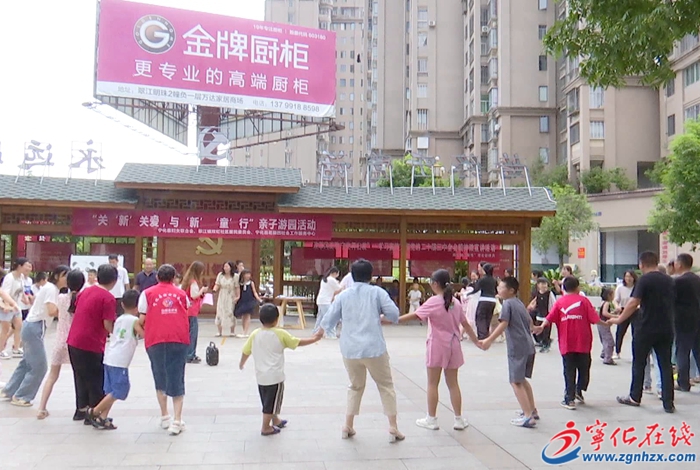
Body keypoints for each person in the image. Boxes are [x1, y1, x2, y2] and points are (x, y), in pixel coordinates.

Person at [319, 259, 404, 443]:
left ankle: (347, 425)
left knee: (355, 386)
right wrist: (379, 316)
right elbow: (394, 314)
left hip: (350, 349)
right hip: (374, 348)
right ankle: (393, 427)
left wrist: (317, 335)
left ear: (352, 275)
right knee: (386, 386)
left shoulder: (343, 295)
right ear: (370, 276)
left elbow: (328, 320)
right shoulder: (377, 293)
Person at [399, 269, 478, 431]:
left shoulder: (434, 301)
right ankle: (458, 419)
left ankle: (431, 419)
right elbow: (465, 324)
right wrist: (477, 341)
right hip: (454, 345)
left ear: (435, 284)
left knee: (432, 383)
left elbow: (416, 315)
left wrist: (394, 319)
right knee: (453, 384)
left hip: (437, 345)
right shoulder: (455, 302)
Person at [240, 304, 322, 436]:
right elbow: (297, 342)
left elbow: (245, 351)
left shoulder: (255, 334)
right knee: (271, 403)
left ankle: (276, 420)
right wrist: (314, 339)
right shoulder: (280, 334)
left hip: (261, 376)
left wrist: (241, 364)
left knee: (268, 400)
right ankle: (265, 427)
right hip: (275, 376)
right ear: (276, 319)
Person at [609, 252, 676, 413]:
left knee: (639, 362)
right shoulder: (669, 280)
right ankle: (668, 402)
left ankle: (635, 396)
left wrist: (619, 319)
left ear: (641, 264)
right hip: (666, 327)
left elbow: (634, 302)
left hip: (646, 327)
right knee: (665, 364)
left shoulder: (644, 280)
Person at [534, 276, 608, 410]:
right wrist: (606, 323)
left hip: (567, 343)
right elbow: (595, 319)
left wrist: (541, 326)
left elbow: (549, 317)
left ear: (563, 288)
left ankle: (570, 399)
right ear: (578, 287)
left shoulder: (560, 302)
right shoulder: (584, 301)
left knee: (569, 370)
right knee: (584, 368)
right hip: (583, 342)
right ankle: (578, 389)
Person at [1, 265, 67, 407]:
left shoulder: (50, 288)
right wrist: (67, 312)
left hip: (31, 325)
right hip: (35, 327)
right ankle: (22, 396)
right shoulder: (52, 289)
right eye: (65, 275)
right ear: (57, 276)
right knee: (39, 367)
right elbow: (51, 311)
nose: (67, 279)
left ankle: (9, 391)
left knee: (26, 363)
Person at [138, 264, 190, 435]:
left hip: (155, 339)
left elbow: (142, 317)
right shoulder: (181, 294)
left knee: (159, 376)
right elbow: (186, 310)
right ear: (174, 278)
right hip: (178, 338)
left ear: (157, 277)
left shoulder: (147, 294)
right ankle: (177, 420)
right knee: (177, 376)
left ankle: (165, 416)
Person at [480, 277, 538, 428]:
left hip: (517, 347)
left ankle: (528, 416)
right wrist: (535, 328)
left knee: (516, 381)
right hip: (528, 345)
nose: (498, 290)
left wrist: (489, 340)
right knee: (522, 380)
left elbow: (503, 323)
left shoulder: (508, 303)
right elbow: (529, 321)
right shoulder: (518, 303)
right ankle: (532, 410)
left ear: (511, 290)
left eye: (501, 287)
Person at [67, 264, 117, 422]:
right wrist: (118, 334)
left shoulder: (85, 291)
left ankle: (81, 410)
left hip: (73, 340)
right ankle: (94, 414)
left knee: (80, 377)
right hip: (91, 343)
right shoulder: (108, 298)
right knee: (96, 380)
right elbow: (107, 324)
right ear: (114, 280)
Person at [88, 289, 144, 430]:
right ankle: (94, 411)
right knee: (120, 389)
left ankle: (103, 418)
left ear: (123, 305)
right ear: (139, 306)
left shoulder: (119, 319)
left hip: (110, 358)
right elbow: (144, 334)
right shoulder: (135, 321)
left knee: (111, 391)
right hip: (120, 361)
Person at [37, 269, 85, 419]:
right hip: (75, 341)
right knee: (80, 377)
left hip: (60, 340)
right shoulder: (82, 299)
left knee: (52, 376)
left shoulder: (61, 297)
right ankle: (81, 408)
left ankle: (41, 407)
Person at [672, 254, 700, 392]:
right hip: (698, 317)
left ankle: (683, 382)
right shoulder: (698, 279)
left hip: (683, 320)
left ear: (680, 264)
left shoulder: (678, 281)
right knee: (698, 350)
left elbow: (672, 299)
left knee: (682, 351)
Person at [0, 257, 33, 359]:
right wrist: (7, 306)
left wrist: (25, 299)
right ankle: (1, 350)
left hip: (16, 306)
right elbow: (4, 293)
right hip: (6, 306)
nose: (29, 268)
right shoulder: (10, 277)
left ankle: (16, 348)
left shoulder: (21, 277)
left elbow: (21, 290)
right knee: (5, 329)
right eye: (26, 265)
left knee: (19, 326)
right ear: (19, 266)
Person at [182, 261, 208, 363]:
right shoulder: (193, 282)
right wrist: (202, 291)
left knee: (189, 333)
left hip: (187, 311)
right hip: (192, 311)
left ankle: (188, 354)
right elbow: (193, 295)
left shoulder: (187, 281)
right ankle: (190, 355)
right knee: (193, 334)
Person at [468, 263, 498, 340]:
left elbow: (476, 289)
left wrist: (468, 293)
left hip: (483, 300)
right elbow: (496, 291)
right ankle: (486, 334)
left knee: (480, 318)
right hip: (492, 301)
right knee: (488, 318)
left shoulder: (482, 279)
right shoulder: (494, 280)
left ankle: (482, 336)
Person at [613, 270, 638, 360]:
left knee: (636, 333)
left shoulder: (637, 287)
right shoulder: (620, 287)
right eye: (626, 276)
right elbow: (616, 300)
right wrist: (617, 306)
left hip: (636, 310)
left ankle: (636, 353)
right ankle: (617, 351)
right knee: (620, 332)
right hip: (623, 309)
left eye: (630, 276)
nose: (628, 279)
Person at [527, 278, 555, 353]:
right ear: (538, 285)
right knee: (538, 330)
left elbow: (553, 304)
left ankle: (546, 344)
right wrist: (531, 307)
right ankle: (541, 341)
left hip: (547, 315)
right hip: (539, 315)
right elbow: (534, 303)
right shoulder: (537, 294)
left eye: (545, 284)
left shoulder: (549, 294)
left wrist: (552, 313)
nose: (543, 286)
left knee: (546, 331)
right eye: (541, 284)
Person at [314, 266, 341, 339]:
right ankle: (330, 334)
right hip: (326, 301)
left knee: (320, 318)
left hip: (321, 300)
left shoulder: (324, 279)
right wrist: (342, 285)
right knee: (330, 317)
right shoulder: (332, 280)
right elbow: (339, 289)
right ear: (335, 273)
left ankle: (316, 332)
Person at [234, 269, 262, 338]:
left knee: (247, 315)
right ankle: (244, 331)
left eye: (249, 274)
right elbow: (238, 292)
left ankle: (245, 332)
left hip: (249, 300)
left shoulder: (251, 283)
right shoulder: (240, 283)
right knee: (243, 316)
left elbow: (254, 292)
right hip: (242, 300)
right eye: (246, 274)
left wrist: (258, 299)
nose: (248, 276)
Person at [214, 261, 237, 337]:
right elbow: (217, 284)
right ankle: (219, 331)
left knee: (230, 312)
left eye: (227, 266)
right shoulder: (220, 275)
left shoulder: (235, 276)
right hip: (222, 295)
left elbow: (237, 287)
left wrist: (237, 296)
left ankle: (232, 331)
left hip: (231, 295)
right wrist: (214, 290)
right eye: (224, 266)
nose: (225, 268)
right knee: (220, 311)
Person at [598, 288, 617, 365]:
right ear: (609, 296)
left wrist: (613, 312)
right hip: (604, 323)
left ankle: (604, 353)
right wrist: (615, 316)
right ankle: (608, 358)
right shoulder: (607, 303)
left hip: (600, 323)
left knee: (604, 339)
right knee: (609, 341)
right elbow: (605, 313)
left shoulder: (603, 302)